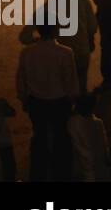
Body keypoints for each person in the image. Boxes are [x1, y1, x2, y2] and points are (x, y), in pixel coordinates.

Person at [17, 23, 80, 181]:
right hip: (60, 102)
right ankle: (61, 174)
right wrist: (73, 100)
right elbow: (70, 81)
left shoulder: (27, 52)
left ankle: (38, 174)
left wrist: (24, 99)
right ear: (55, 30)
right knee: (61, 138)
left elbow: (21, 78)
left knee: (39, 137)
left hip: (36, 102)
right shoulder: (65, 53)